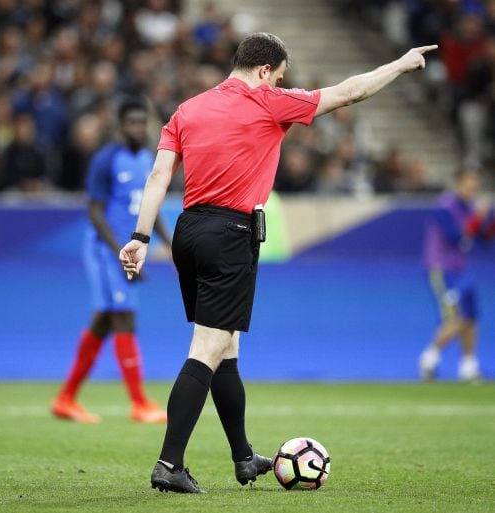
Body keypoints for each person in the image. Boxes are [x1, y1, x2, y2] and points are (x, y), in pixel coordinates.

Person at [119, 32, 437, 493]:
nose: (280, 84)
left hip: (189, 231)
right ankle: (169, 464)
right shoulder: (269, 102)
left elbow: (158, 175)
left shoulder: (187, 110)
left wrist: (140, 237)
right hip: (230, 234)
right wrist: (402, 64)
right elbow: (351, 92)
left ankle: (244, 457)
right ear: (265, 70)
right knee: (206, 348)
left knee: (226, 349)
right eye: (280, 76)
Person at [51, 98, 171, 425]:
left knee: (104, 321)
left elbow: (150, 209)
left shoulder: (149, 159)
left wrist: (170, 244)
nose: (137, 128)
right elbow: (94, 212)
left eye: (141, 122)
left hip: (127, 249)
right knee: (124, 318)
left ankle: (65, 399)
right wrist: (121, 252)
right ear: (120, 125)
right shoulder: (106, 160)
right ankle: (139, 403)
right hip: (107, 250)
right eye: (131, 122)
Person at [418, 168, 494, 382]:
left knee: (471, 316)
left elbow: (484, 239)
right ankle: (428, 360)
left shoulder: (468, 208)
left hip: (461, 269)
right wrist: (478, 217)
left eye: (475, 187)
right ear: (459, 184)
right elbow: (457, 238)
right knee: (455, 317)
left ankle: (468, 366)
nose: (473, 191)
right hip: (441, 269)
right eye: (469, 186)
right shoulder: (445, 207)